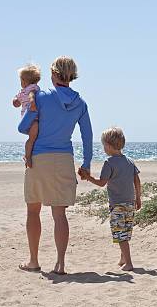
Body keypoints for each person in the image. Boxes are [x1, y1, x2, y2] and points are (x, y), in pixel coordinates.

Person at [17, 56, 93, 275]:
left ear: (54, 74)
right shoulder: (80, 103)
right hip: (63, 159)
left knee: (33, 210)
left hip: (38, 159)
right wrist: (86, 164)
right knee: (59, 215)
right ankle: (60, 264)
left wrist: (33, 115)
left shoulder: (40, 97)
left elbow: (23, 128)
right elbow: (87, 136)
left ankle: (34, 261)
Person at [79, 127, 142, 271]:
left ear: (107, 145)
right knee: (126, 231)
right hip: (130, 203)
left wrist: (87, 177)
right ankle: (123, 258)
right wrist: (138, 198)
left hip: (118, 204)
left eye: (103, 145)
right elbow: (137, 181)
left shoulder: (109, 163)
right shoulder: (130, 161)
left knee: (120, 234)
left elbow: (101, 183)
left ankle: (129, 263)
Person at [12, 64, 41, 168]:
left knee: (31, 139)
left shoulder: (26, 90)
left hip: (26, 118)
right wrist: (32, 103)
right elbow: (31, 95)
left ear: (24, 81)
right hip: (32, 119)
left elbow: (17, 102)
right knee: (33, 138)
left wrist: (16, 101)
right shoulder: (31, 89)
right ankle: (28, 156)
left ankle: (27, 155)